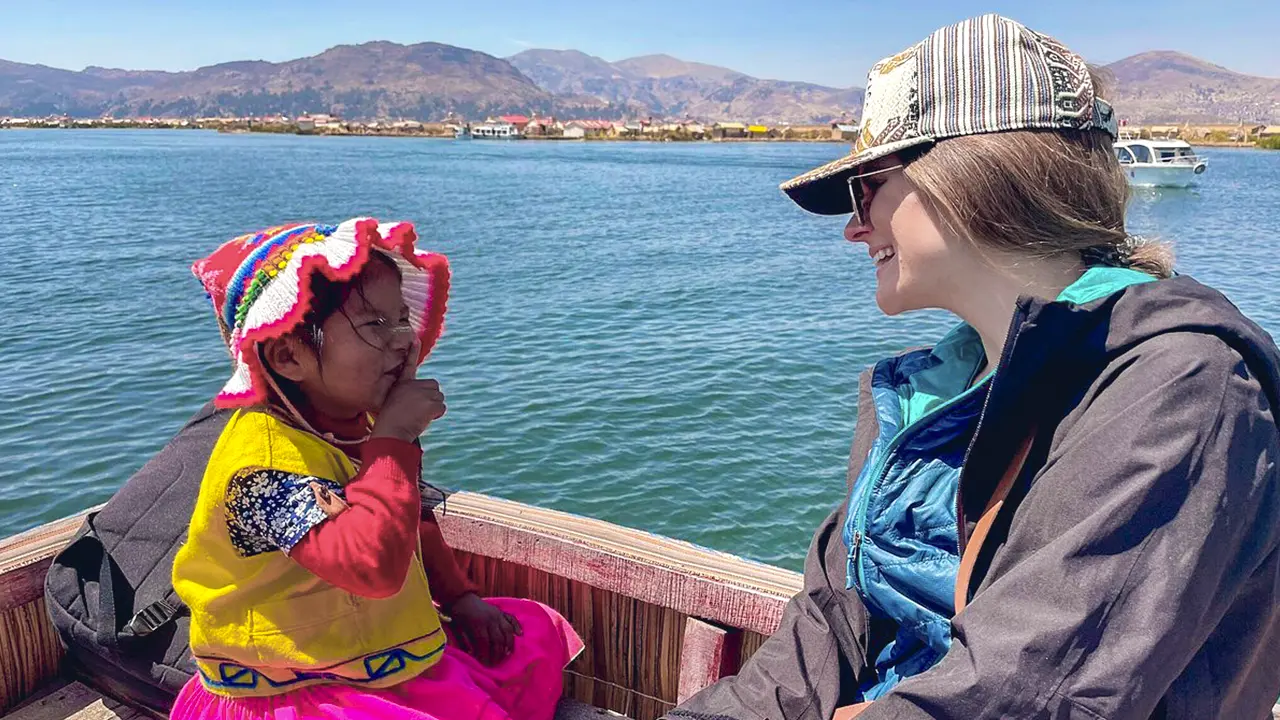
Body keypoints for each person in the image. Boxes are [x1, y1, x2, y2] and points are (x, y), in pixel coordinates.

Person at [670, 14, 1280, 720]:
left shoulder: (1181, 391)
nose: (852, 226)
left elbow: (1027, 696)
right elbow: (830, 624)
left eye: (867, 187)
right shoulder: (926, 394)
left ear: (969, 176)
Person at [170, 218, 583, 720]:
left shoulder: (348, 423)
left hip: (372, 653)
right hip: (295, 692)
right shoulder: (262, 470)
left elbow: (409, 522)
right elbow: (373, 567)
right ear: (287, 355)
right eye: (374, 325)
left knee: (530, 627)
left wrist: (461, 598)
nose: (402, 340)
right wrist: (392, 441)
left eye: (401, 318)